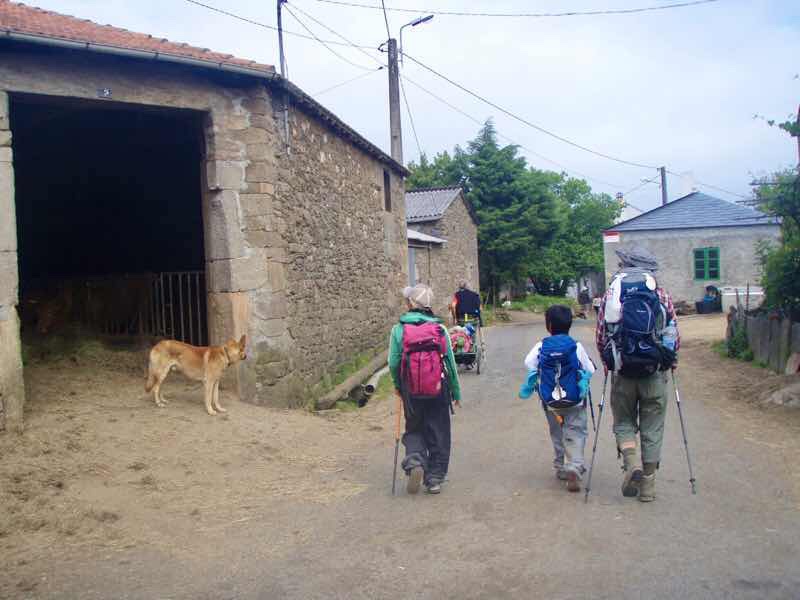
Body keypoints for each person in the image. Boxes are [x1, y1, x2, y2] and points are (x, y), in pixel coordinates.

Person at [596, 248, 679, 502]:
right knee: (653, 428)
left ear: (626, 265)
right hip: (654, 371)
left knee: (623, 422)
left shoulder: (613, 293)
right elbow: (672, 332)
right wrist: (670, 361)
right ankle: (648, 488)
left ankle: (632, 464)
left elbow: (602, 335)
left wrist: (610, 363)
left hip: (623, 371)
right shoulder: (660, 293)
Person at [389, 283, 461, 495]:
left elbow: (393, 362)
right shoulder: (439, 329)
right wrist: (456, 392)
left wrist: (398, 385)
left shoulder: (399, 329)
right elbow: (450, 364)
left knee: (414, 427)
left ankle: (415, 463)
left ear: (411, 303)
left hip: (410, 387)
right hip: (438, 386)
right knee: (439, 429)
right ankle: (435, 478)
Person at [522, 305, 596, 492]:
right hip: (574, 400)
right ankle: (574, 465)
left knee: (557, 432)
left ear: (548, 325)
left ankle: (561, 467)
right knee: (576, 431)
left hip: (550, 402)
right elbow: (590, 369)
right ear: (570, 324)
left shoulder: (542, 345)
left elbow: (529, 363)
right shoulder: (575, 346)